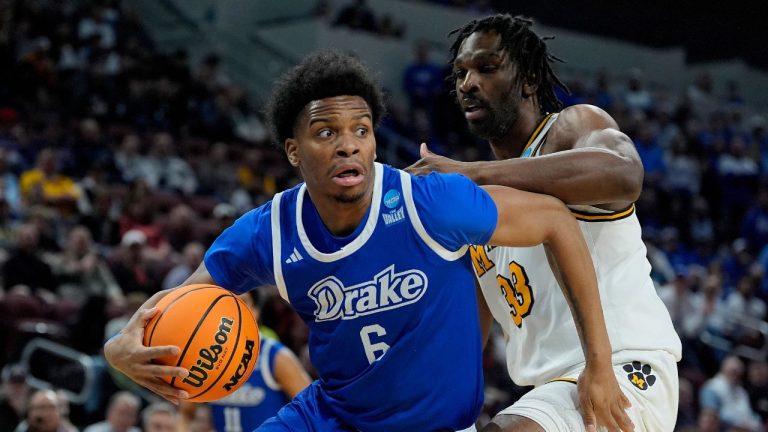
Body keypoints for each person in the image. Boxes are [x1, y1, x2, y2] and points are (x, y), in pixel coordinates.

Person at [104, 51, 626, 432]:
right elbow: (179, 303)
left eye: (360, 129)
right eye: (326, 132)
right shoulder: (270, 230)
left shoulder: (430, 203)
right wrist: (119, 345)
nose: (348, 144)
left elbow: (557, 222)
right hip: (328, 417)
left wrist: (597, 365)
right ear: (294, 150)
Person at [406, 14, 682, 432]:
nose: (468, 84)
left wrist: (473, 173)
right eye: (461, 73)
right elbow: (469, 332)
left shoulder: (570, 129)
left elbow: (626, 174)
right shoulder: (481, 208)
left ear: (530, 78)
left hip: (622, 371)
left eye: (487, 68)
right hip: (550, 390)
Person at [180, 290, 313, 431]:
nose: (235, 309)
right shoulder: (205, 357)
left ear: (255, 311)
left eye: (242, 302)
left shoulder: (276, 356)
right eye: (228, 303)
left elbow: (312, 411)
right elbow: (185, 413)